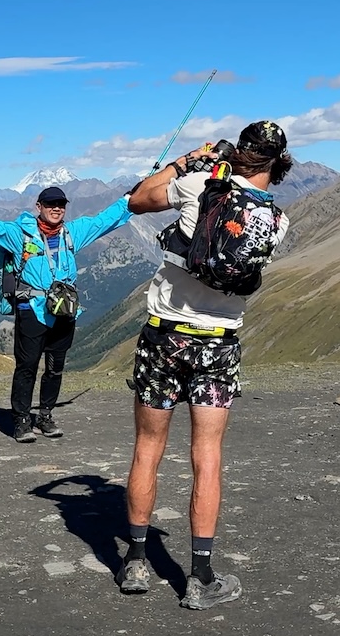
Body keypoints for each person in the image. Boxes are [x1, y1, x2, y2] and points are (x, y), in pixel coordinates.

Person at [115, 121, 293, 609]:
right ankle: (200, 577)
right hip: (218, 344)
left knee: (148, 447)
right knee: (207, 454)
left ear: (238, 152)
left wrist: (185, 163)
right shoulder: (276, 222)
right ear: (276, 163)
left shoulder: (198, 185)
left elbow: (136, 198)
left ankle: (134, 562)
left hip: (164, 337)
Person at [0, 184, 131, 442]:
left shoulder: (72, 232)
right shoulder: (18, 234)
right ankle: (21, 420)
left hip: (64, 312)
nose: (57, 208)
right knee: (27, 367)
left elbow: (104, 222)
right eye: (51, 204)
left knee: (55, 367)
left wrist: (128, 200)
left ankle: (45, 416)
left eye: (61, 204)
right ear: (38, 207)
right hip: (32, 310)